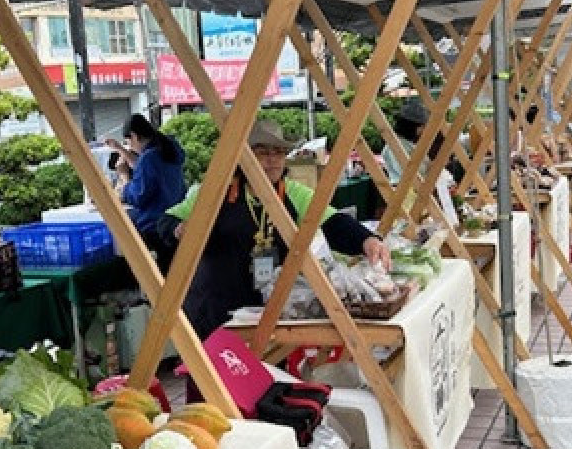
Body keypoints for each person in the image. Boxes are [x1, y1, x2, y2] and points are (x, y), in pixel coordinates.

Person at [158, 119, 390, 340]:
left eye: (278, 152)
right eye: (263, 152)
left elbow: (332, 223)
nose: (273, 160)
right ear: (244, 158)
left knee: (268, 375)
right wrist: (178, 229)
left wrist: (367, 240)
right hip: (215, 307)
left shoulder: (293, 193)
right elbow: (167, 221)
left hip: (268, 308)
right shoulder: (216, 191)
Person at [105, 113, 186, 268]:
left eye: (129, 142)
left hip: (155, 225)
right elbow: (145, 168)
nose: (130, 147)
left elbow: (138, 196)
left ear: (134, 136)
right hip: (174, 219)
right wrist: (121, 149)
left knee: (119, 225)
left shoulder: (149, 158)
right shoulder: (168, 149)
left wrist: (124, 177)